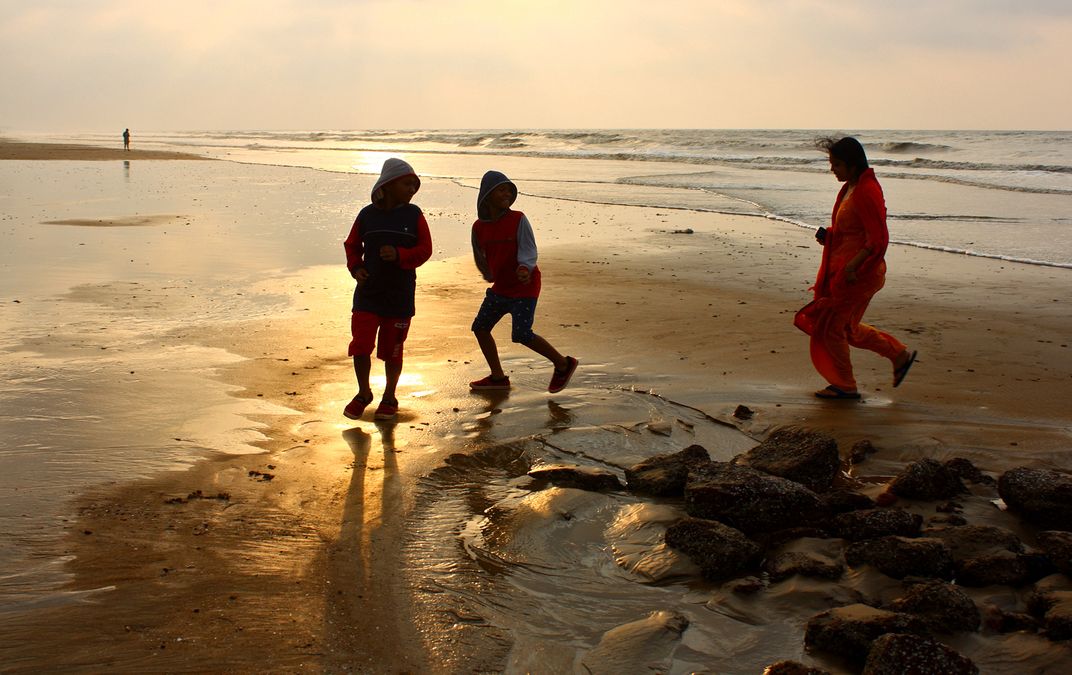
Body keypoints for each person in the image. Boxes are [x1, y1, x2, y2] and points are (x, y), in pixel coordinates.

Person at [794, 137, 916, 399]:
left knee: (832, 327)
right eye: (831, 164)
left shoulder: (866, 191)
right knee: (846, 328)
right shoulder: (851, 187)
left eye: (836, 164)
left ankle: (845, 385)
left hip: (857, 275)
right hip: (844, 270)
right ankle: (899, 355)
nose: (832, 170)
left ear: (851, 164)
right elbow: (853, 231)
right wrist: (831, 236)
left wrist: (852, 268)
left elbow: (878, 239)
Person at [469, 170, 578, 393]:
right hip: (500, 288)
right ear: (487, 195)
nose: (507, 193)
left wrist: (524, 267)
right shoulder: (478, 227)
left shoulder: (518, 219)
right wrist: (487, 272)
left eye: (509, 190)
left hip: (525, 286)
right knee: (480, 327)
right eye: (502, 189)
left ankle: (563, 364)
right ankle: (498, 377)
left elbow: (528, 248)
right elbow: (479, 253)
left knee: (521, 334)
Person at [342, 158, 432, 421]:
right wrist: (355, 268)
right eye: (407, 184)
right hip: (368, 294)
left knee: (392, 348)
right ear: (388, 185)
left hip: (399, 296)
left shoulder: (414, 214)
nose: (412, 189)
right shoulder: (367, 215)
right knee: (361, 345)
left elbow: (425, 250)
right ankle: (363, 393)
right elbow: (351, 245)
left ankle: (389, 396)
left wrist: (401, 255)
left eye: (415, 185)